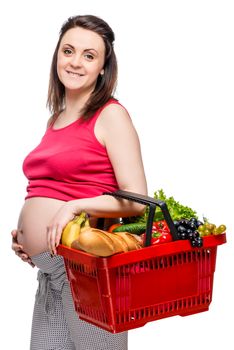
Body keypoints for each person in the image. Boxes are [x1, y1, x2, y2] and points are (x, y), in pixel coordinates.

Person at [11, 14, 147, 350]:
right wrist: (27, 237)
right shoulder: (55, 119)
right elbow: (49, 188)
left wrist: (72, 207)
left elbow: (137, 199)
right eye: (68, 50)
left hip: (88, 274)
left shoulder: (110, 115)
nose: (75, 62)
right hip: (52, 274)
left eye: (89, 55)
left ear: (103, 67)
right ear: (57, 54)